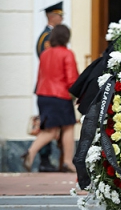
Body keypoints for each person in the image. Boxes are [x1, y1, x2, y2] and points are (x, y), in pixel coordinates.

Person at [23, 24, 79, 173]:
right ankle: (67, 162)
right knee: (68, 126)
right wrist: (79, 94)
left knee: (50, 131)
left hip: (43, 96)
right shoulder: (67, 54)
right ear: (66, 37)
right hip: (60, 96)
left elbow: (40, 76)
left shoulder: (45, 54)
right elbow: (71, 79)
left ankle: (30, 153)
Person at [34, 1, 65, 172]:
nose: (61, 19)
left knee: (53, 125)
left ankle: (47, 159)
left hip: (52, 87)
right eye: (60, 15)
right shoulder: (47, 37)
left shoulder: (51, 35)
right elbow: (47, 60)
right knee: (47, 124)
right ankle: (43, 159)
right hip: (50, 87)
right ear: (52, 16)